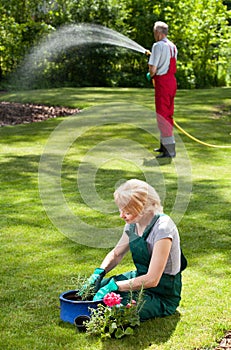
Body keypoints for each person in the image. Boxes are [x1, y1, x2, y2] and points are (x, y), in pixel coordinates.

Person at [83, 179, 187, 321]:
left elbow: (152, 279)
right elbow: (117, 253)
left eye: (127, 211)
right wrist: (99, 273)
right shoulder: (133, 224)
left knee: (117, 308)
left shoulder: (163, 228)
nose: (121, 215)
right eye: (121, 209)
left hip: (162, 293)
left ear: (143, 207)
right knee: (95, 289)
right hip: (140, 277)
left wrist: (116, 286)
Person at [147, 21, 178, 158]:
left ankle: (169, 150)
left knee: (162, 116)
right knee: (168, 113)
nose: (154, 35)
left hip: (163, 83)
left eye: (155, 33)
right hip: (171, 82)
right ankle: (163, 145)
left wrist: (150, 74)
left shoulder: (157, 46)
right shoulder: (172, 46)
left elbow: (153, 68)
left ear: (159, 33)